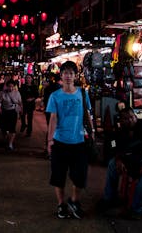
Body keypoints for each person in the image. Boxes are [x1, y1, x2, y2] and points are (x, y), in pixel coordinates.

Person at [97, 107, 142, 220]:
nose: (130, 120)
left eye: (132, 117)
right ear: (121, 120)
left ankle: (136, 209)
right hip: (137, 159)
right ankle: (109, 198)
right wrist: (119, 159)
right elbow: (115, 146)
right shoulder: (121, 130)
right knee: (112, 164)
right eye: (126, 118)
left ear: (135, 116)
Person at [46, 60, 94, 219]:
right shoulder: (55, 96)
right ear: (61, 75)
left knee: (80, 176)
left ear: (75, 76)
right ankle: (61, 205)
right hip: (60, 142)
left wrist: (92, 131)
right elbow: (53, 119)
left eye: (71, 73)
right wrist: (49, 141)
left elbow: (87, 114)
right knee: (59, 176)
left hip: (79, 141)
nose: (68, 76)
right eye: (65, 73)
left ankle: (74, 201)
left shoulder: (82, 93)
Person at [0, 79, 22, 151]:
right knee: (3, 128)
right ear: (6, 86)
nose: (10, 88)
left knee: (12, 129)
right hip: (4, 111)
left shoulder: (17, 93)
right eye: (9, 86)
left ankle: (10, 144)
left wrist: (20, 112)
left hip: (13, 111)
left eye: (12, 87)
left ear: (14, 87)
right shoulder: (3, 93)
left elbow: (20, 103)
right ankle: (6, 138)